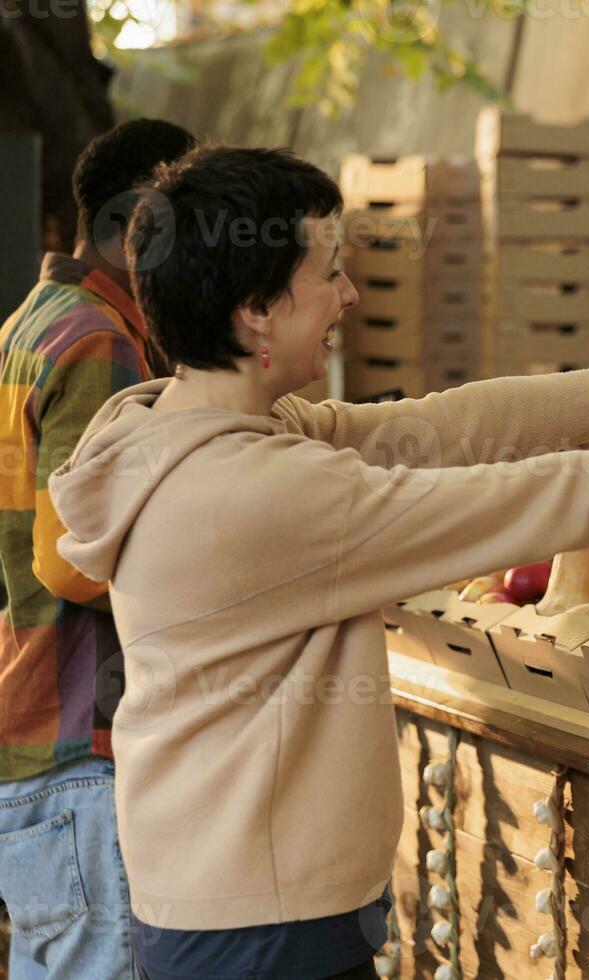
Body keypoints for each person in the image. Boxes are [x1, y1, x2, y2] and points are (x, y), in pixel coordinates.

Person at [45, 145, 589, 980]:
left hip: (231, 908)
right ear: (256, 309)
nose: (349, 294)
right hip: (260, 931)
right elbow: (534, 498)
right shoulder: (254, 490)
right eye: (329, 272)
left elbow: (445, 425)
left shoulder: (184, 430)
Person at [0, 117, 196, 980]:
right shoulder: (101, 341)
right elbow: (78, 562)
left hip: (34, 734)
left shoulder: (32, 322)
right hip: (83, 739)